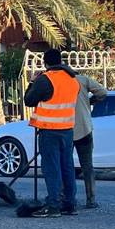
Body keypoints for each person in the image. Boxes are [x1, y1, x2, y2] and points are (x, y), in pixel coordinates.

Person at [24, 49, 80, 218]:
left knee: (51, 168)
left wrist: (32, 81)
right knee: (67, 167)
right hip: (68, 129)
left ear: (46, 63)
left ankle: (53, 205)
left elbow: (29, 100)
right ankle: (70, 204)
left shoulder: (45, 80)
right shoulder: (73, 80)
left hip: (50, 130)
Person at [74, 73, 107, 209]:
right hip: (84, 127)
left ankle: (68, 197)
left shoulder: (58, 82)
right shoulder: (82, 80)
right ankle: (91, 199)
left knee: (65, 165)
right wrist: (91, 101)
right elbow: (102, 92)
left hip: (65, 128)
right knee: (87, 166)